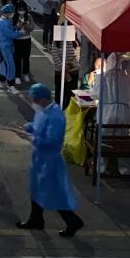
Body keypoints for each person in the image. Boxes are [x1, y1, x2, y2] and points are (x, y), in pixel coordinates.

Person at [17, 83, 84, 237]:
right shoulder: (43, 111)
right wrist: (30, 127)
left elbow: (52, 141)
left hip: (50, 160)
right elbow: (39, 126)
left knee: (53, 192)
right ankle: (36, 219)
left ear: (42, 99)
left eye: (34, 100)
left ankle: (73, 221)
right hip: (40, 158)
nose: (33, 103)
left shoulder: (56, 116)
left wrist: (32, 138)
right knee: (37, 189)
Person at [99, 53, 130, 175]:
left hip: (106, 111)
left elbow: (95, 94)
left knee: (105, 138)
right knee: (122, 138)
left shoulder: (103, 77)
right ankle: (123, 167)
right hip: (123, 112)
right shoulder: (126, 77)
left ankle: (102, 166)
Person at [0, 4, 29, 95]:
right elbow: (11, 34)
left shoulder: (4, 20)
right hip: (5, 47)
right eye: (11, 12)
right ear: (7, 13)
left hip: (5, 46)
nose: (13, 14)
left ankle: (2, 82)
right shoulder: (4, 23)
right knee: (10, 66)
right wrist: (20, 32)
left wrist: (17, 26)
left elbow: (11, 29)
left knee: (4, 65)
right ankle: (11, 86)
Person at [51, 35, 79, 109]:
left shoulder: (75, 42)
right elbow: (55, 56)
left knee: (71, 94)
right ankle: (58, 111)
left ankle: (68, 111)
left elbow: (77, 57)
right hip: (59, 73)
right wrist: (63, 69)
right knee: (59, 94)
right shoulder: (56, 42)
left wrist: (69, 66)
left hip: (73, 73)